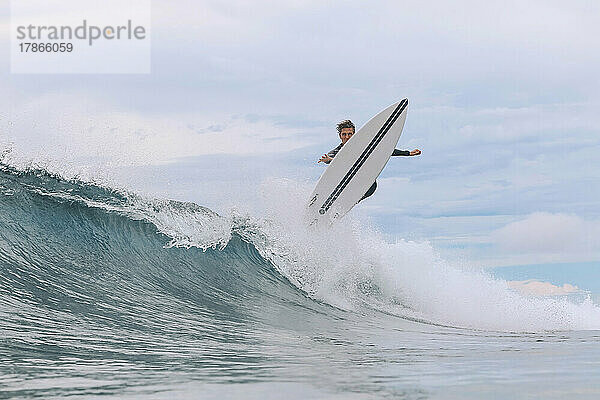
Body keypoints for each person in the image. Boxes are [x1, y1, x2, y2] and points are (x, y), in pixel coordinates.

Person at [318, 119, 421, 202]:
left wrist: (408, 153)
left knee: (368, 188)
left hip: (367, 185)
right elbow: (331, 158)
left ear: (354, 134)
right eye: (344, 134)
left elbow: (385, 150)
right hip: (348, 182)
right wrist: (329, 160)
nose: (347, 137)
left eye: (350, 134)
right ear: (340, 136)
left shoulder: (364, 147)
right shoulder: (337, 151)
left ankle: (345, 203)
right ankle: (329, 200)